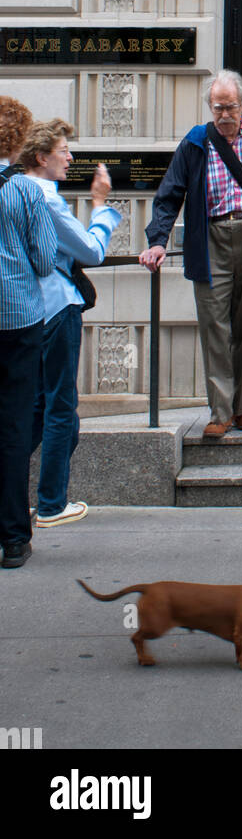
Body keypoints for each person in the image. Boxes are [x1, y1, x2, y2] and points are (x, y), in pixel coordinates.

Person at [139, 70, 242, 438]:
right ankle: (220, 412)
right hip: (209, 240)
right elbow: (170, 193)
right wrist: (158, 239)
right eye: (217, 107)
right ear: (210, 106)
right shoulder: (196, 142)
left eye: (230, 107)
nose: (224, 115)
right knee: (214, 326)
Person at [21, 118, 121, 527]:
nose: (71, 158)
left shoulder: (15, 191)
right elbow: (91, 251)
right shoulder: (45, 198)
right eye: (64, 151)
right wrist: (101, 207)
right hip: (57, 309)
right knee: (60, 406)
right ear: (42, 157)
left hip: (27, 312)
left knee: (36, 407)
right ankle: (51, 504)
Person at [0, 97, 57, 568]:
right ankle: (14, 537)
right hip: (18, 319)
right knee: (15, 427)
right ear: (19, 141)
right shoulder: (26, 193)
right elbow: (43, 261)